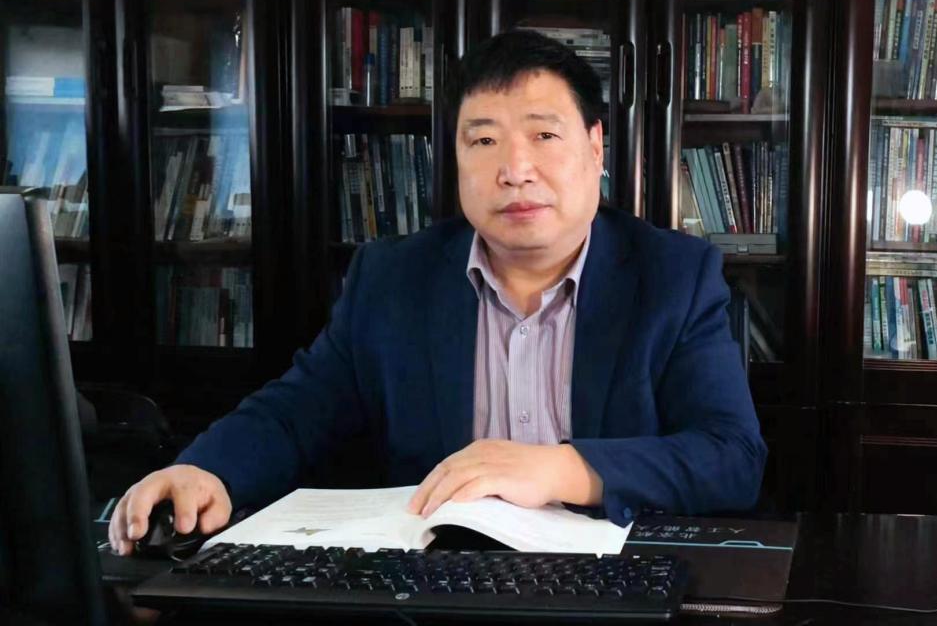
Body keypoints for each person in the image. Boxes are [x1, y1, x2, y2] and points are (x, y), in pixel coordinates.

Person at [108, 30, 767, 555]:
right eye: (484, 140)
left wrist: (559, 469)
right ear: (454, 157)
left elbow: (731, 457)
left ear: (596, 148)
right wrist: (207, 470)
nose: (514, 170)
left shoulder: (672, 276)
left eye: (544, 135)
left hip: (610, 588)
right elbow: (294, 412)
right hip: (436, 585)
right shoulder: (393, 279)